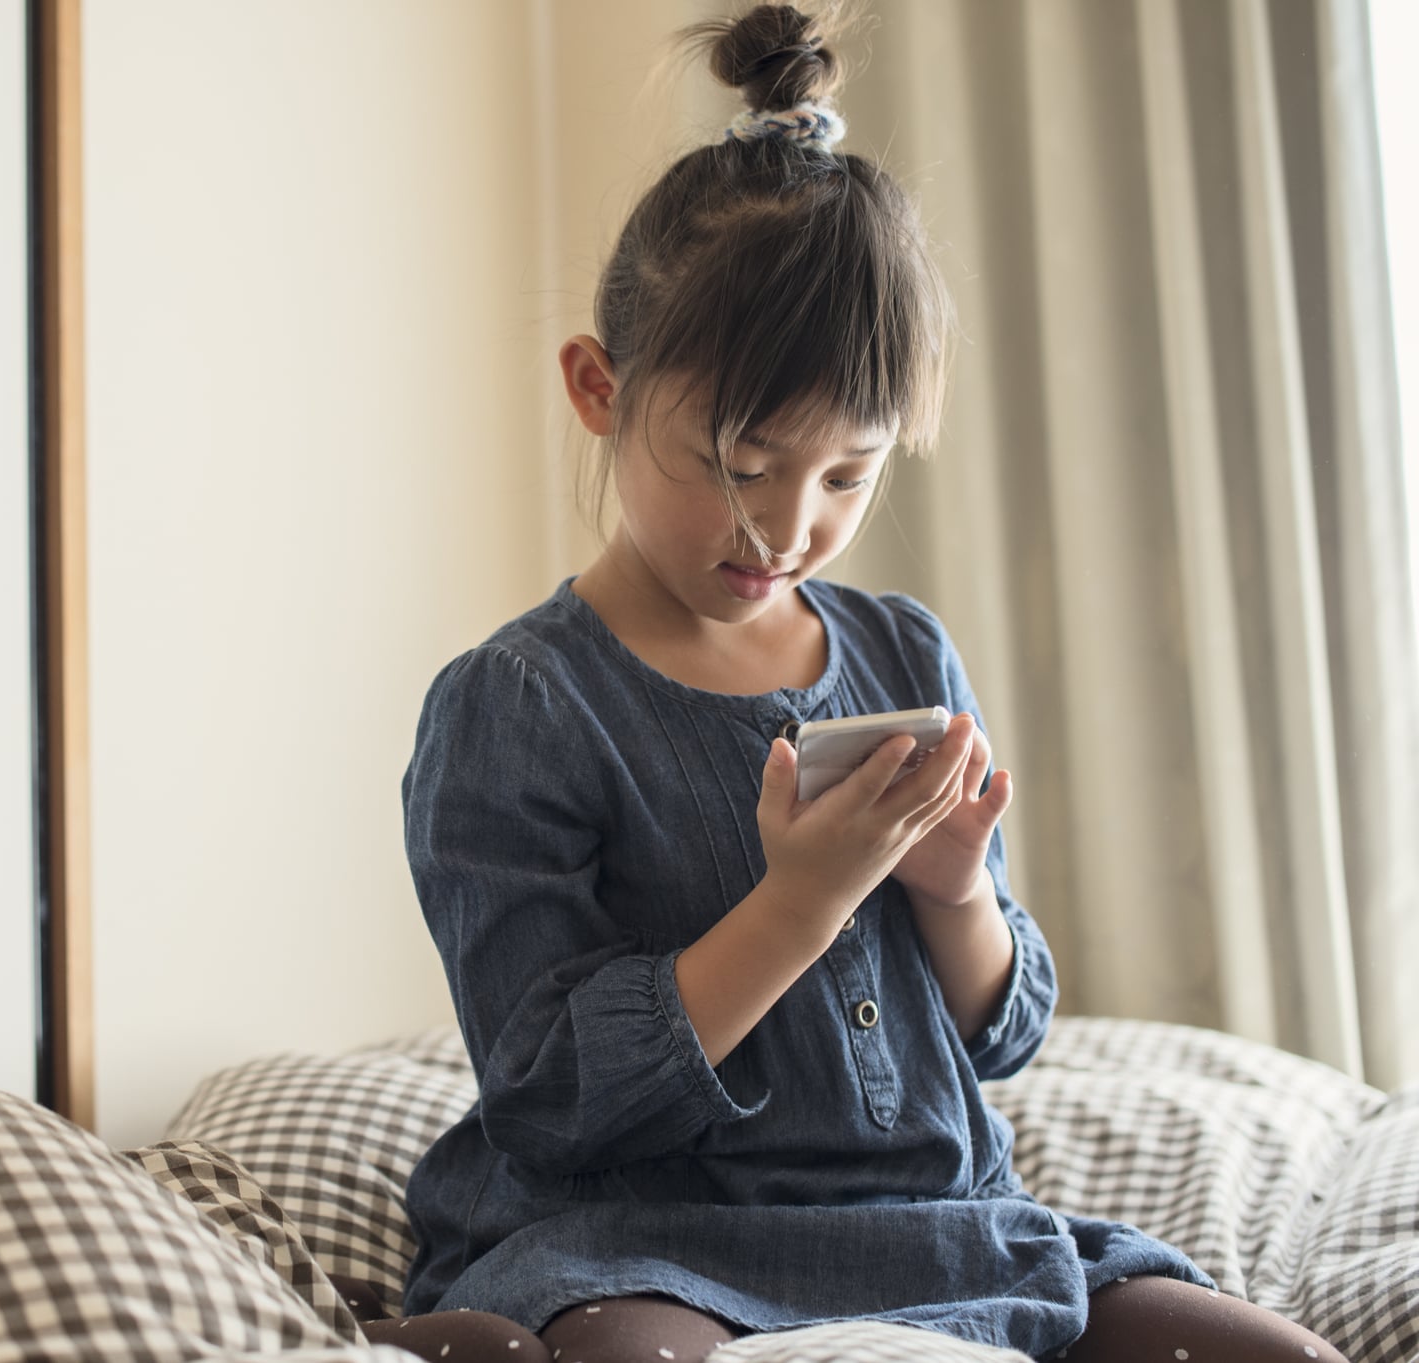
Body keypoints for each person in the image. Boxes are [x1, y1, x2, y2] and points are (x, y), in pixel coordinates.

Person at [349, 5, 1353, 1362]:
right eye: (738, 464)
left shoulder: (903, 653)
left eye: (848, 476)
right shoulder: (516, 708)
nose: (785, 526)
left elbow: (1002, 1037)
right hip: (650, 1240)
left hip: (939, 1223)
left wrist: (954, 894)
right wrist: (802, 903)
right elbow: (552, 1096)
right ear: (598, 388)